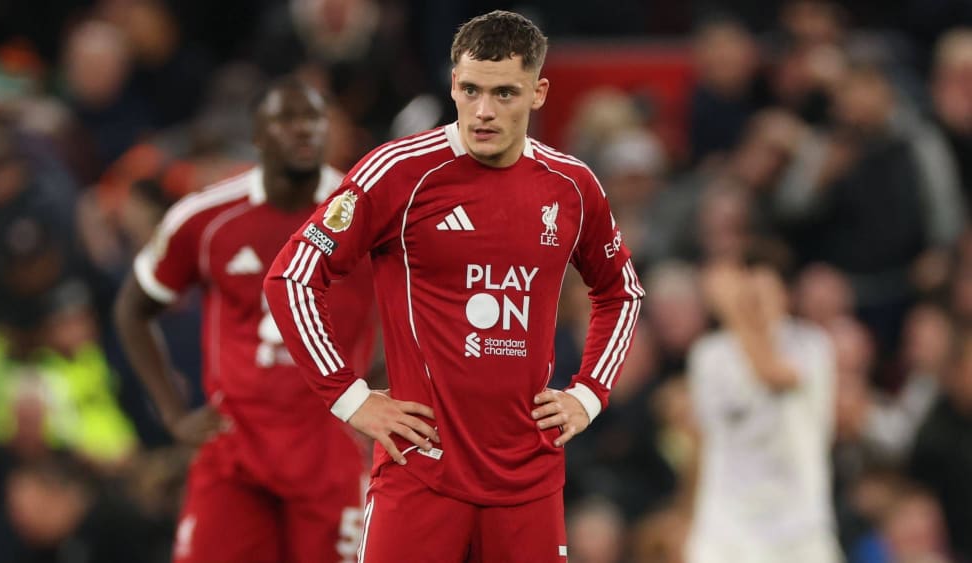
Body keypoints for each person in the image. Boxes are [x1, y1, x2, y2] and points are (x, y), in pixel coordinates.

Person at [263, 10, 643, 562]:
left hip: (529, 479)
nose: (484, 111)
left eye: (504, 93)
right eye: (471, 90)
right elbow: (292, 278)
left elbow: (621, 291)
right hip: (419, 468)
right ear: (453, 85)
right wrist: (350, 398)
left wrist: (588, 394)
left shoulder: (572, 186)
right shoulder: (398, 171)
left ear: (538, 93)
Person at [114, 76, 378, 563]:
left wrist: (380, 397)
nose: (302, 130)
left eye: (313, 119)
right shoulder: (206, 217)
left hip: (329, 448)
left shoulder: (372, 217)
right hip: (236, 447)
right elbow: (133, 307)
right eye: (285, 119)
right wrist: (173, 413)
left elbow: (413, 312)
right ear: (256, 135)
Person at [685, 259, 842, 563]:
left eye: (759, 297)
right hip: (726, 535)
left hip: (801, 536)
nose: (751, 306)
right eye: (746, 297)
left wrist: (733, 311)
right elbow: (705, 441)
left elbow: (774, 375)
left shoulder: (811, 345)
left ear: (786, 296)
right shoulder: (709, 355)